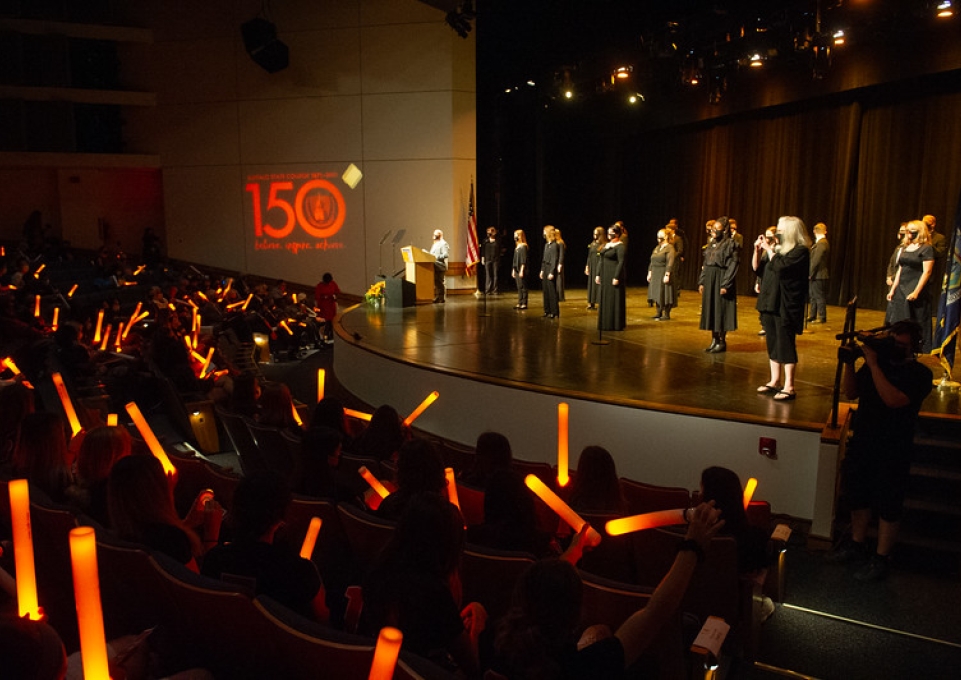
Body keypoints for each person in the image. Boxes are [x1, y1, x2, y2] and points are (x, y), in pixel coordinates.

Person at [490, 502, 723, 679]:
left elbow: (546, 588)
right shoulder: (588, 666)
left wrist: (573, 552)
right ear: (574, 617)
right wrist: (692, 547)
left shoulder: (490, 644)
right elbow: (655, 612)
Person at [829, 320, 933, 581]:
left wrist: (874, 364)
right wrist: (851, 363)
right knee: (858, 494)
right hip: (864, 439)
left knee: (889, 502)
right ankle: (856, 542)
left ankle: (882, 557)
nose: (896, 348)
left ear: (914, 346)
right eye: (894, 342)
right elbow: (851, 392)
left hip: (894, 447)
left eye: (902, 345)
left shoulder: (920, 374)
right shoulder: (878, 366)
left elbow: (893, 399)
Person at [361, 492, 484, 677]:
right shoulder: (434, 595)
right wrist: (477, 629)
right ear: (448, 548)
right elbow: (472, 669)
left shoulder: (379, 572)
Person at [203, 471, 322, 616]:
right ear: (280, 518)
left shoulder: (215, 559)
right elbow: (323, 619)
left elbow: (206, 584)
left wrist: (210, 536)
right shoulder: (299, 571)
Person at [107, 454, 204, 569]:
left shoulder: (118, 534)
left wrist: (187, 522)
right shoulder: (171, 540)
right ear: (158, 492)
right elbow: (198, 582)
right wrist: (211, 536)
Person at [755, 216, 811, 401]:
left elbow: (781, 267)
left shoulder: (800, 251)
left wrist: (770, 250)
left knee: (785, 343)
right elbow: (762, 270)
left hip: (786, 304)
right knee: (772, 341)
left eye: (781, 230)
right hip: (771, 301)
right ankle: (775, 380)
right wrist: (762, 250)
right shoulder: (779, 250)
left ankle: (789, 386)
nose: (778, 233)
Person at [886, 219, 935, 351]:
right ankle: (897, 343)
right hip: (902, 286)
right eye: (907, 230)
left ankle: (917, 346)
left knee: (916, 318)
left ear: (919, 232)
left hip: (915, 286)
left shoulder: (926, 249)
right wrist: (893, 290)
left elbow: (927, 272)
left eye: (911, 231)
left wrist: (916, 292)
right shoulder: (906, 247)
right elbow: (900, 270)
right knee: (899, 317)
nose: (907, 233)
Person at [699, 216, 739, 353]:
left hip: (722, 278)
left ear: (725, 230)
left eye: (717, 228)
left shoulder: (731, 244)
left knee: (721, 310)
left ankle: (722, 341)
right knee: (711, 309)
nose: (713, 231)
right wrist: (702, 280)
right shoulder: (712, 244)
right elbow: (706, 263)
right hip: (710, 278)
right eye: (713, 228)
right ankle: (714, 339)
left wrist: (725, 284)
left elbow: (733, 265)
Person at [596, 223, 626, 331]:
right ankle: (605, 323)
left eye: (612, 232)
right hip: (605, 274)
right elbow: (601, 259)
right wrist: (598, 274)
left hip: (613, 274)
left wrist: (616, 277)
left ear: (617, 233)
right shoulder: (607, 245)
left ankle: (615, 324)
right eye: (608, 232)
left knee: (613, 298)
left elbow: (621, 262)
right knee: (604, 298)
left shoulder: (620, 246)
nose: (609, 234)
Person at [752, 226, 777, 337]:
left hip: (775, 282)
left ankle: (771, 327)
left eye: (769, 236)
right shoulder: (765, 251)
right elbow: (756, 267)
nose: (767, 238)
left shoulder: (779, 249)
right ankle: (764, 326)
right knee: (763, 307)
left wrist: (768, 248)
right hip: (765, 280)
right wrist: (756, 250)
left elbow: (777, 263)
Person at [647, 228, 676, 321]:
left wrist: (667, 274)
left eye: (660, 235)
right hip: (655, 272)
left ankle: (666, 314)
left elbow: (670, 262)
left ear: (666, 236)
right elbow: (652, 260)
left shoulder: (670, 248)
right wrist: (649, 272)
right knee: (656, 292)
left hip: (663, 272)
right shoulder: (657, 248)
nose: (658, 238)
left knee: (665, 292)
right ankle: (658, 312)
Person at [808, 222, 830, 324]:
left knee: (818, 296)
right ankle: (812, 315)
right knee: (813, 295)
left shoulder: (821, 243)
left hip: (819, 274)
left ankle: (821, 317)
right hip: (816, 274)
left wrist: (810, 273)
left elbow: (816, 260)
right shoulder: (820, 243)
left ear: (814, 231)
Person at [540, 225, 561, 319]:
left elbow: (554, 260)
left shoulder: (554, 245)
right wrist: (542, 270)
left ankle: (554, 312)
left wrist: (552, 272)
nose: (543, 233)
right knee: (545, 291)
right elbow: (544, 259)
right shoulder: (546, 245)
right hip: (545, 268)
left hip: (550, 269)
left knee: (551, 291)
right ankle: (547, 310)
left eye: (544, 231)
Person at [584, 226, 607, 310]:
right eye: (594, 233)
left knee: (598, 284)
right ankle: (591, 302)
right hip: (592, 266)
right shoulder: (592, 244)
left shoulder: (604, 245)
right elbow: (589, 256)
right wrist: (587, 266)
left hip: (599, 266)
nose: (594, 235)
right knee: (591, 284)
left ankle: (600, 302)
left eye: (596, 233)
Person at [313, 272, 340, 344]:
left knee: (332, 321)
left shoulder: (333, 283)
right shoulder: (320, 286)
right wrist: (325, 297)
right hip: (324, 306)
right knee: (326, 322)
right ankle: (325, 337)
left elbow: (337, 291)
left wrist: (334, 295)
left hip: (331, 306)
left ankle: (332, 336)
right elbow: (317, 297)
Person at [430, 229, 450, 303]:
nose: (434, 236)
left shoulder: (443, 243)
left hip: (440, 265)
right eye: (434, 234)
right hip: (434, 265)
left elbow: (446, 254)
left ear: (440, 235)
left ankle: (441, 298)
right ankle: (438, 297)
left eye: (436, 234)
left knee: (440, 282)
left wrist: (436, 257)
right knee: (436, 282)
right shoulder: (435, 244)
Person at [512, 229, 529, 310]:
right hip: (516, 269)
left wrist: (522, 270)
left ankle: (524, 303)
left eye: (516, 235)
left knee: (523, 286)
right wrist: (513, 269)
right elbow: (515, 259)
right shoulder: (517, 247)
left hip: (521, 269)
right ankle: (519, 302)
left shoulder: (523, 246)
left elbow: (523, 260)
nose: (515, 237)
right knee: (519, 286)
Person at [481, 227, 501, 295]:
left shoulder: (497, 240)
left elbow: (499, 250)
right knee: (488, 275)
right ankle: (487, 290)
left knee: (495, 275)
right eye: (488, 232)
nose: (489, 233)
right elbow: (483, 250)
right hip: (487, 259)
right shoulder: (485, 241)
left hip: (495, 260)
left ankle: (495, 290)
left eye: (491, 231)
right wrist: (482, 258)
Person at [554, 228, 567, 301]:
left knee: (559, 280)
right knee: (556, 280)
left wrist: (560, 264)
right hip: (555, 263)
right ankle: (556, 295)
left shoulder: (560, 243)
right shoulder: (555, 243)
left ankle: (560, 296)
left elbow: (561, 255)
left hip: (559, 263)